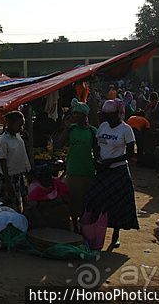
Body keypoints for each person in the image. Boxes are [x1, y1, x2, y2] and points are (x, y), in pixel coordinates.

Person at [83, 99, 139, 250]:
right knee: (93, 198)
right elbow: (97, 146)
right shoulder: (103, 127)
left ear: (118, 114)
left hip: (118, 170)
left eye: (110, 115)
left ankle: (116, 235)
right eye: (105, 115)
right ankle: (94, 231)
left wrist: (111, 161)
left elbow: (131, 153)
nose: (107, 118)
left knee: (118, 203)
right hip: (103, 169)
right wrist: (97, 159)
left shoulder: (126, 130)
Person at [56, 98, 97, 232]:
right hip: (72, 170)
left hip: (87, 171)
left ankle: (83, 225)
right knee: (72, 201)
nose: (75, 116)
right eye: (74, 113)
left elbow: (97, 153)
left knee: (84, 201)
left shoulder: (92, 131)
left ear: (85, 116)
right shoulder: (71, 129)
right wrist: (65, 128)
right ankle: (75, 227)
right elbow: (58, 145)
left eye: (78, 114)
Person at [0, 111, 32, 213]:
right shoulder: (3, 140)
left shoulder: (17, 136)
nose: (21, 128)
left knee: (18, 200)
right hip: (7, 176)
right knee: (7, 204)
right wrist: (8, 182)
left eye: (22, 126)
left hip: (17, 175)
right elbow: (2, 160)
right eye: (19, 125)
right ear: (10, 124)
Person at [24, 165, 71, 230]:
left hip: (55, 212)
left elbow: (66, 200)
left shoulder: (57, 184)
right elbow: (32, 207)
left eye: (49, 179)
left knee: (65, 209)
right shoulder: (34, 188)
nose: (48, 182)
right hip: (41, 215)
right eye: (44, 180)